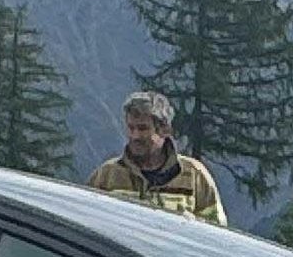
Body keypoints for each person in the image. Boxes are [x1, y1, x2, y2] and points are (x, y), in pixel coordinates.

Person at [85, 90, 227, 225]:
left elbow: (217, 232)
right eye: (131, 128)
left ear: (165, 130)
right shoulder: (106, 176)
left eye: (143, 128)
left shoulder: (194, 176)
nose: (135, 136)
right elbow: (85, 220)